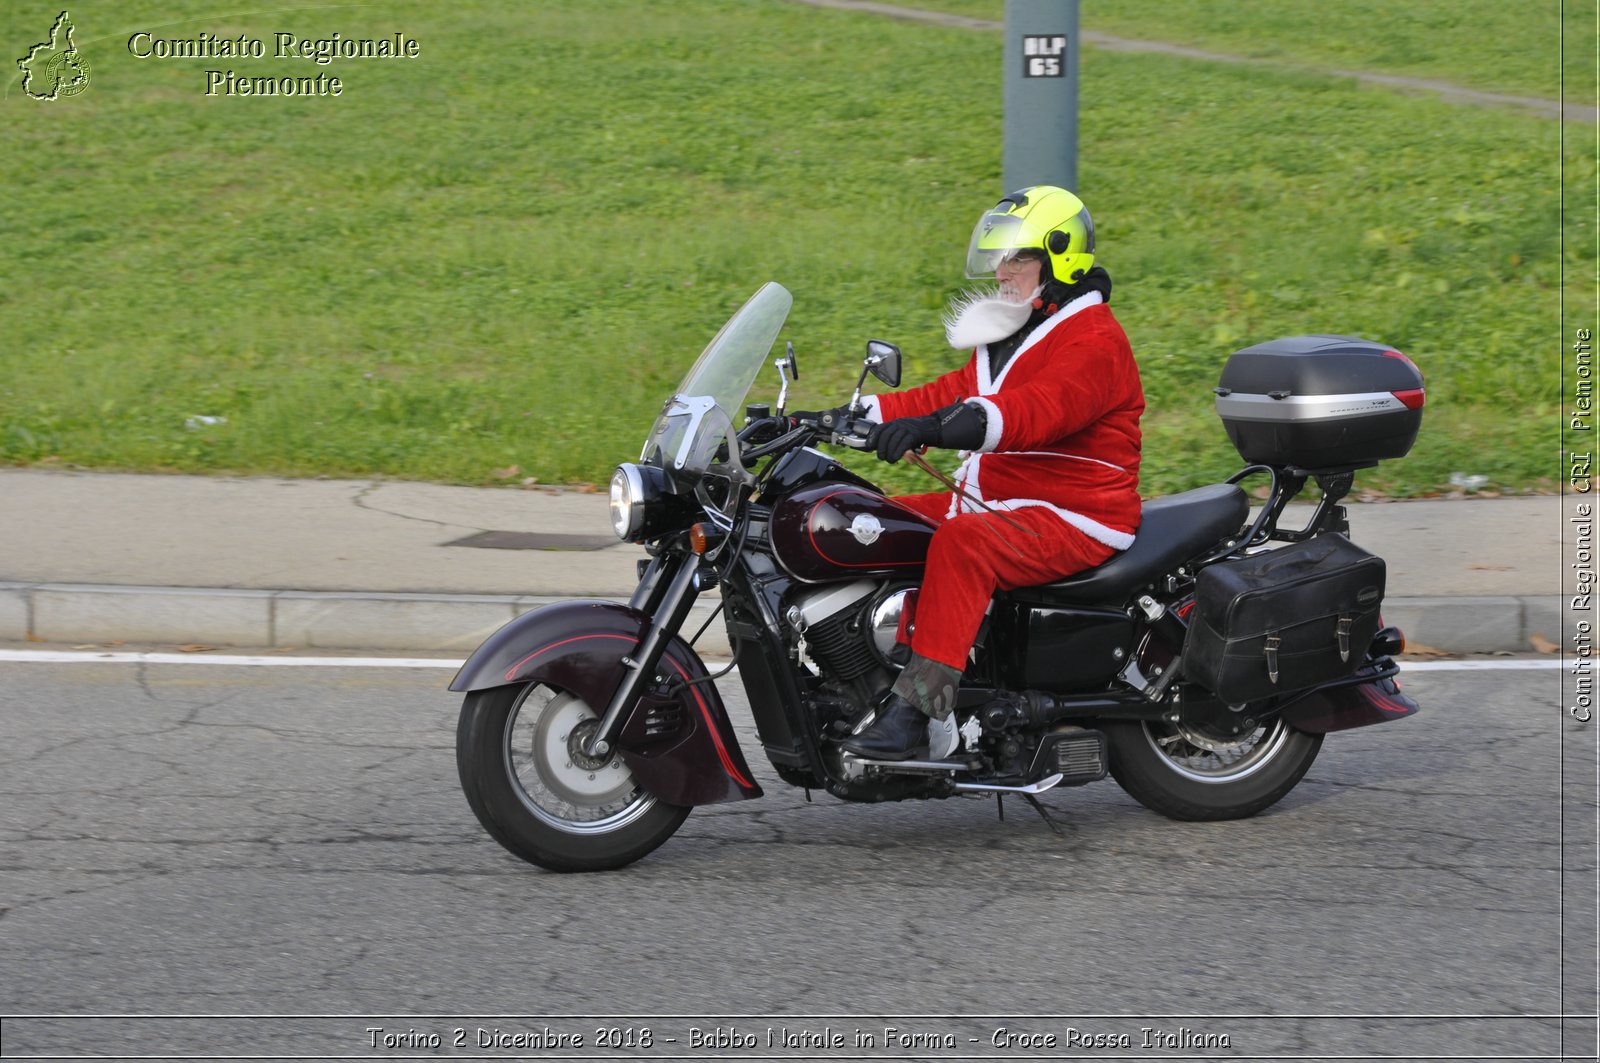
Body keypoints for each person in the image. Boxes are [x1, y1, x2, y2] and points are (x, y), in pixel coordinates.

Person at [840, 185, 1145, 760]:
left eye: (1020, 258)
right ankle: (877, 667)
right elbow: (946, 395)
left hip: (1075, 515)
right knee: (869, 518)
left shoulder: (1095, 339)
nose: (1003, 271)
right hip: (995, 501)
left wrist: (935, 428)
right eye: (1001, 258)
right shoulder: (1014, 334)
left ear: (1061, 259)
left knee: (963, 545)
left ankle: (918, 713)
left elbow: (1035, 412)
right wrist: (848, 416)